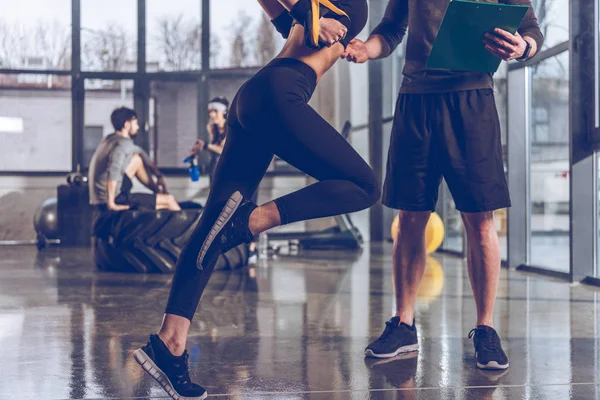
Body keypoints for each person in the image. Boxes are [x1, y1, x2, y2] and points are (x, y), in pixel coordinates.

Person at [133, 1, 376, 399]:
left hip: (256, 96)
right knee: (364, 186)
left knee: (212, 223)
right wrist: (314, 16)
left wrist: (325, 27)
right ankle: (252, 221)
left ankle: (169, 342)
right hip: (282, 92)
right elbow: (307, 17)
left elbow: (288, 18)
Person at [341, 0, 543, 370]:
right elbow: (390, 30)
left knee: (480, 221)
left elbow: (531, 31)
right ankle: (403, 324)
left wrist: (523, 47)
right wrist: (365, 50)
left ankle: (485, 328)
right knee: (411, 216)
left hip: (472, 99)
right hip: (415, 100)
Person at [192, 96, 261, 263]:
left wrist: (206, 145)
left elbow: (224, 149)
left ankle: (252, 249)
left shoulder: (232, 127)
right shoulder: (214, 130)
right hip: (220, 176)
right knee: (222, 212)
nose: (212, 114)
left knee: (247, 210)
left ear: (224, 112)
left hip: (242, 175)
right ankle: (229, 249)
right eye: (210, 111)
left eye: (215, 111)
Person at [89, 107, 181, 213]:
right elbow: (113, 170)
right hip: (112, 198)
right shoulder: (123, 144)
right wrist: (111, 204)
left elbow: (140, 152)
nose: (137, 127)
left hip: (99, 198)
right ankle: (192, 229)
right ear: (127, 125)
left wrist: (158, 176)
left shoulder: (110, 139)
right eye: (135, 123)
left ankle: (157, 191)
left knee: (136, 160)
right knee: (169, 200)